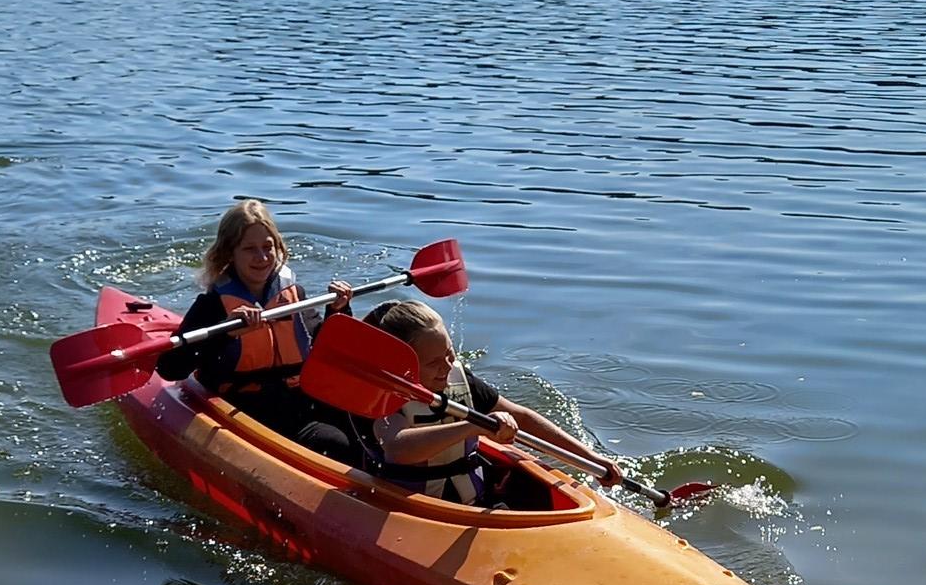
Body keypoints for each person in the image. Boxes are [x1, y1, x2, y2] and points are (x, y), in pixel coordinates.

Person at [360, 299, 619, 504]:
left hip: (474, 498)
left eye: (449, 353)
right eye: (433, 362)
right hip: (406, 504)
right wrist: (473, 426)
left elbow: (522, 417)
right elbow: (398, 448)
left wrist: (590, 458)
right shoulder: (383, 392)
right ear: (403, 362)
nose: (447, 366)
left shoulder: (458, 378)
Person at [168, 201, 350, 440]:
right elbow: (171, 368)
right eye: (249, 249)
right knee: (333, 442)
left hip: (296, 401)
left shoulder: (293, 294)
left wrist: (337, 310)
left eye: (267, 247)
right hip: (243, 408)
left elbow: (327, 353)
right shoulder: (212, 304)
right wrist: (227, 333)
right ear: (229, 253)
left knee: (359, 420)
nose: (262, 257)